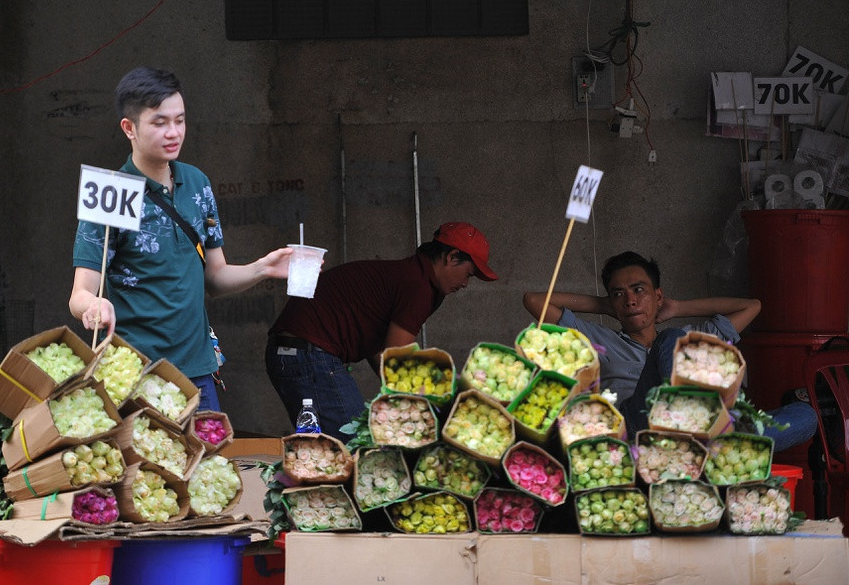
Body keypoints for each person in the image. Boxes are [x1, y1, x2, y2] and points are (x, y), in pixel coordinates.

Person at [70, 66, 292, 412]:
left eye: (180, 120)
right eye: (159, 123)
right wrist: (92, 305)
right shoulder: (111, 192)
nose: (173, 132)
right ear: (129, 128)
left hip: (198, 369)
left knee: (207, 464)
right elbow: (79, 294)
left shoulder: (197, 183)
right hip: (135, 372)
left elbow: (216, 278)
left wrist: (263, 268)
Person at [522, 251, 816, 452]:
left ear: (658, 295)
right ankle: (708, 433)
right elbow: (535, 300)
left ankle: (711, 439)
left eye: (639, 290)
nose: (631, 300)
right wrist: (605, 305)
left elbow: (752, 307)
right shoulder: (599, 339)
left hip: (701, 425)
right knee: (672, 341)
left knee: (806, 415)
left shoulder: (690, 336)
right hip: (638, 425)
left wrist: (678, 308)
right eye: (619, 294)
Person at [266, 222, 498, 440]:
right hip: (308, 354)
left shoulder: (411, 276)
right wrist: (452, 391)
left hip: (293, 353)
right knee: (354, 448)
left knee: (336, 450)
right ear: (451, 257)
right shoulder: (418, 286)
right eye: (468, 274)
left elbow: (384, 357)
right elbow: (397, 358)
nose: (466, 284)